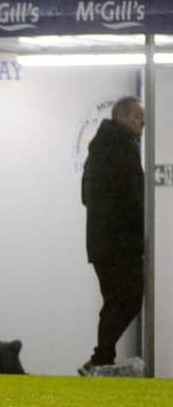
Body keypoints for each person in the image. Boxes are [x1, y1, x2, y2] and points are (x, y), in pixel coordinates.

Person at [79, 96, 145, 376]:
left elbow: (85, 196)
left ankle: (102, 361)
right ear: (122, 117)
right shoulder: (124, 146)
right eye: (138, 117)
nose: (142, 123)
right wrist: (145, 230)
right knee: (130, 297)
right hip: (121, 242)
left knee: (113, 301)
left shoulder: (97, 148)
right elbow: (134, 197)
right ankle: (100, 357)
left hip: (98, 243)